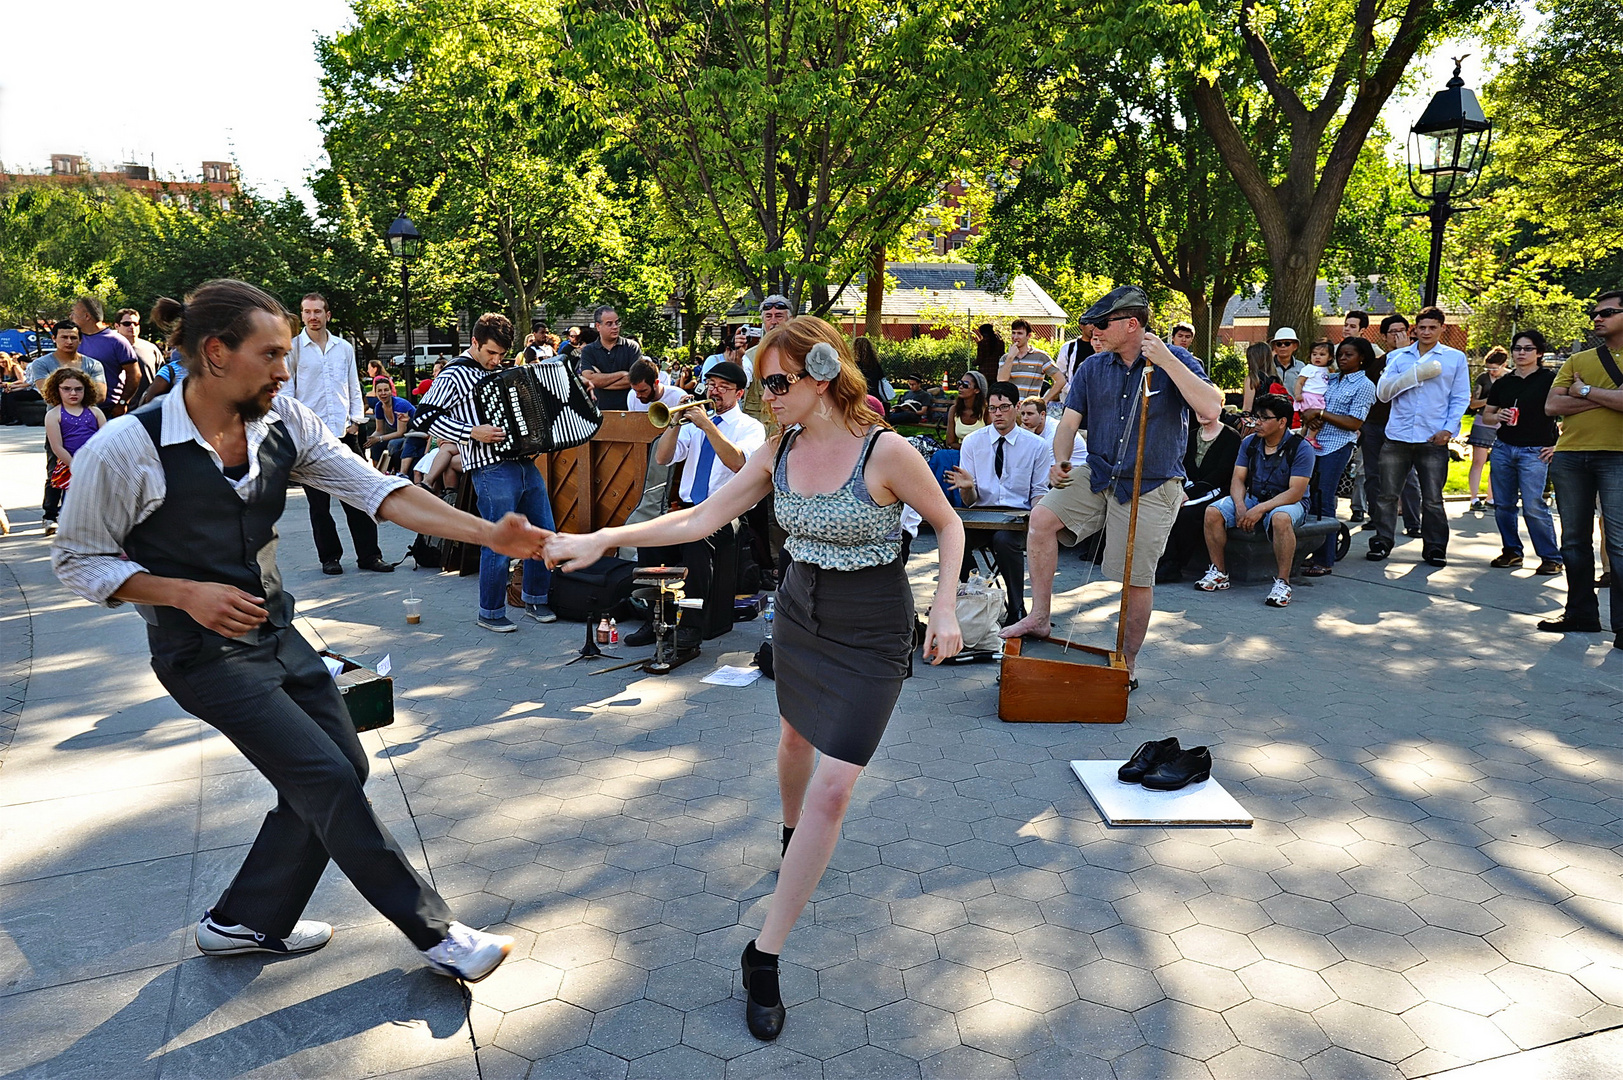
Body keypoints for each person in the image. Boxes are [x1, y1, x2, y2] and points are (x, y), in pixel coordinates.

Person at [51, 279, 533, 984]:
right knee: (328, 776)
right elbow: (76, 559)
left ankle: (243, 921)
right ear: (215, 354)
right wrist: (180, 592)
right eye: (271, 353)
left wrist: (490, 533)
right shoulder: (128, 448)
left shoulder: (286, 422)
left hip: (279, 634)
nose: (285, 369)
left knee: (346, 769)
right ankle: (438, 935)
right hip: (199, 655)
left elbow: (379, 490)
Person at [541, 315, 964, 1043]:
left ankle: (762, 956)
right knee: (795, 741)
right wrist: (607, 536)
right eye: (762, 382)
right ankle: (791, 833)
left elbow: (948, 524)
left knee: (836, 784)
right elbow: (699, 517)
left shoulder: (885, 451)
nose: (767, 396)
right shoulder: (778, 450)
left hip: (872, 626)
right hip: (800, 613)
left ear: (822, 372)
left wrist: (947, 607)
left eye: (777, 382)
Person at [999, 285, 1223, 687]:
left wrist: (1168, 359)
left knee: (1134, 577)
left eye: (1101, 325)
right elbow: (1068, 424)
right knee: (1042, 519)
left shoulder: (1175, 361)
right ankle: (1040, 618)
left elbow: (1210, 408)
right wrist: (1061, 460)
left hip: (1152, 484)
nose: (1092, 332)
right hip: (1100, 472)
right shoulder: (1091, 368)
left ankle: (1128, 662)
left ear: (1132, 324)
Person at [417, 313, 557, 630]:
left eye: (501, 355)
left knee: (545, 533)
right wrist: (471, 431)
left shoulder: (499, 370)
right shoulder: (453, 375)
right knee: (499, 542)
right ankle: (490, 612)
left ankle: (535, 599)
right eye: (491, 353)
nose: (495, 361)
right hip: (489, 468)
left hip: (524, 462)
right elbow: (424, 418)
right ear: (475, 342)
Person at [630, 361, 766, 647]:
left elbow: (739, 462)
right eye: (712, 385)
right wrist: (675, 424)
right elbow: (663, 458)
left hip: (726, 513)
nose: (714, 392)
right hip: (691, 509)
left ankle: (691, 626)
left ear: (739, 393)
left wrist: (707, 425)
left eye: (723, 388)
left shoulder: (749, 427)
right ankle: (657, 620)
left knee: (696, 542)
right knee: (649, 538)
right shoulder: (693, 424)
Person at [1539, 292, 1623, 644]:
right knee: (1573, 540)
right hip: (1571, 455)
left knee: (1619, 544)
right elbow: (1551, 405)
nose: (1597, 318)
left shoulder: (1580, 372)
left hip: (1617, 455)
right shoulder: (1577, 358)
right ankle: (1580, 614)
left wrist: (1584, 391)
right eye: (1594, 314)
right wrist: (1607, 398)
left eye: (1607, 313)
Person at [286, 293, 390, 575]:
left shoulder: (343, 348)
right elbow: (287, 395)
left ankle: (369, 556)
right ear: (302, 315)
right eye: (307, 311)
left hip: (345, 434)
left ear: (328, 315)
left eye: (317, 311)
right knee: (319, 506)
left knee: (360, 496)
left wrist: (356, 421)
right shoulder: (293, 349)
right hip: (310, 439)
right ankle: (329, 558)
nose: (312, 317)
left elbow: (353, 386)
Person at [943, 381, 1053, 625]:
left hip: (1018, 516)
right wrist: (968, 488)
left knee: (1004, 541)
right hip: (981, 513)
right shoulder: (973, 442)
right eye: (993, 409)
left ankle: (1017, 608)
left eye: (1004, 407)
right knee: (953, 538)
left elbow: (1038, 493)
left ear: (1017, 407)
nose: (998, 414)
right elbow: (969, 502)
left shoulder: (1037, 446)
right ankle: (975, 596)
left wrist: (1035, 521)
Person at [1369, 307, 1470, 566]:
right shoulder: (1399, 357)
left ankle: (1435, 548)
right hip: (1398, 435)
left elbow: (1460, 397)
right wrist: (1411, 375)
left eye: (1432, 327)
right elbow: (1384, 393)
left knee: (1433, 498)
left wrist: (1449, 429)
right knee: (1387, 495)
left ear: (1442, 329)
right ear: (1415, 329)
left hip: (1432, 436)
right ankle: (1382, 541)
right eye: (1422, 327)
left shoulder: (1454, 358)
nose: (1426, 332)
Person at [1195, 394, 1314, 607]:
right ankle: (1219, 572)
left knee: (1280, 518)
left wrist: (1260, 509)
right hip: (1255, 497)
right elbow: (1238, 479)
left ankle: (1283, 583)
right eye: (1255, 417)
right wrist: (1240, 506)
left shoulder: (1301, 448)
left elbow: (1295, 492)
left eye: (1263, 418)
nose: (1257, 423)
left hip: (1288, 503)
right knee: (1213, 511)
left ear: (1282, 422)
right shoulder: (1249, 443)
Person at [1484, 330, 1562, 574]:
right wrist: (1499, 416)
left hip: (1536, 450)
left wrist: (1558, 444)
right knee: (1504, 504)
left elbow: (1570, 414)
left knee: (1533, 505)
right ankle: (1511, 551)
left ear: (1539, 353)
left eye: (1528, 348)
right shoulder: (1504, 382)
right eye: (1517, 348)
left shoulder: (1550, 379)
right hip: (1504, 447)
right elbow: (1487, 415)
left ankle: (1551, 557)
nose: (1521, 353)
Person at [1300, 338, 1376, 576]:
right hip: (1313, 444)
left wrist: (1321, 413)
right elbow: (1310, 403)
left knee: (1324, 498)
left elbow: (1354, 422)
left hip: (1338, 445)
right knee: (1309, 496)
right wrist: (1310, 415)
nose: (1343, 358)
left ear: (1361, 357)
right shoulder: (1329, 378)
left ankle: (1325, 559)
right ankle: (1308, 551)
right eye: (1340, 354)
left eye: (1349, 355)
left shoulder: (1364, 385)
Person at [30, 323, 108, 531]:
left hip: (87, 426)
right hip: (59, 425)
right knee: (56, 471)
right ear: (54, 338)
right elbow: (47, 393)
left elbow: (100, 395)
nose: (69, 341)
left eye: (73, 337)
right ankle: (50, 515)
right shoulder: (41, 363)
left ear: (80, 340)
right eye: (64, 337)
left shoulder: (93, 364)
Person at [1156, 410, 1241, 584]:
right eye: (1198, 409)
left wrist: (1190, 494)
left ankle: (1174, 565)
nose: (1202, 413)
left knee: (1188, 514)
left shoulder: (1231, 437)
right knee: (1162, 507)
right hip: (1188, 487)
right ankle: (1161, 560)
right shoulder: (1191, 434)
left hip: (1216, 491)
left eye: (1206, 408)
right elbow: (1182, 465)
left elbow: (1222, 473)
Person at [1361, 315, 1424, 536]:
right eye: (1392, 332)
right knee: (1373, 473)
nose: (1398, 336)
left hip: (1401, 426)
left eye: (1402, 331)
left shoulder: (1417, 361)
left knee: (1406, 475)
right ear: (1384, 336)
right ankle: (1376, 517)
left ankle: (1413, 521)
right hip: (1374, 424)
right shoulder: (1378, 363)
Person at [42, 368, 106, 510]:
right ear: (56, 389)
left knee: (98, 502)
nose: (73, 393)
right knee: (72, 504)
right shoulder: (53, 415)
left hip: (96, 464)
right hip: (70, 466)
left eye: (78, 389)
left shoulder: (95, 411)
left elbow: (106, 439)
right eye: (66, 389)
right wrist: (76, 465)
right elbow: (57, 447)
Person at [929, 370, 988, 505]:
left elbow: (990, 442)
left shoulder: (986, 412)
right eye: (959, 383)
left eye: (965, 385)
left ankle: (957, 503)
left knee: (947, 458)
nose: (960, 387)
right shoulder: (954, 410)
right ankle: (939, 502)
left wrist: (971, 451)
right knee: (942, 456)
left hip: (982, 455)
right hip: (960, 451)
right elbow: (950, 442)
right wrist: (967, 449)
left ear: (977, 390)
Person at [69, 296, 138, 411]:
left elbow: (134, 375)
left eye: (74, 314)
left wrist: (122, 402)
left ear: (87, 316)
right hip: (76, 409)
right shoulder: (73, 339)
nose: (71, 317)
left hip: (107, 410)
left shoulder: (116, 341)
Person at [577, 305, 644, 410]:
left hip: (629, 410)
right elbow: (589, 379)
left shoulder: (631, 347)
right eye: (609, 324)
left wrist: (600, 381)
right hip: (601, 410)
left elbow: (635, 379)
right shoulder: (588, 350)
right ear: (598, 326)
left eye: (617, 323)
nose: (615, 327)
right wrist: (622, 374)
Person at [1467, 347, 1509, 510]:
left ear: (1504, 364)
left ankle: (1491, 497)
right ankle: (1474, 498)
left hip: (1503, 423)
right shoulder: (1483, 379)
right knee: (1479, 461)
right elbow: (1473, 404)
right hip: (1483, 422)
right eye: (1489, 368)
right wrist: (1490, 400)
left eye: (1495, 368)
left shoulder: (1510, 378)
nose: (1491, 372)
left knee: (1498, 462)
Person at [740, 296, 792, 424]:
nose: (773, 321)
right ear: (763, 321)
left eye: (779, 316)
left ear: (790, 319)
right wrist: (736, 361)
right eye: (768, 316)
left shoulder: (800, 354)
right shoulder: (749, 356)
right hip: (759, 429)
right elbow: (739, 387)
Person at [364, 374, 426, 475]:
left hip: (414, 434)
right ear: (375, 392)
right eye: (379, 391)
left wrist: (379, 438)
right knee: (375, 446)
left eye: (386, 390)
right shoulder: (379, 407)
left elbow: (400, 433)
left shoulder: (399, 405)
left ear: (391, 391)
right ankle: (377, 473)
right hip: (402, 435)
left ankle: (393, 472)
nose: (383, 393)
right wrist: (370, 440)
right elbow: (380, 431)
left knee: (393, 444)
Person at [997, 318, 1065, 408]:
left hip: (1031, 408)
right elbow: (1001, 381)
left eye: (1020, 333)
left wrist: (1044, 400)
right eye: (1013, 333)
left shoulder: (1041, 357)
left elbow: (1061, 380)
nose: (1015, 337)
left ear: (1029, 336)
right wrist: (1010, 357)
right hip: (1010, 407)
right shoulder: (1005, 358)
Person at [113, 307, 165, 413]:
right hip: (118, 409)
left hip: (148, 409)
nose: (132, 327)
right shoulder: (109, 348)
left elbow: (163, 376)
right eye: (127, 323)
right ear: (117, 326)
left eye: (135, 323)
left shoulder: (151, 349)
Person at [1296, 340, 1334, 448]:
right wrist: (1298, 394)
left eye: (1322, 354)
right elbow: (1299, 382)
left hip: (1319, 397)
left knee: (1310, 421)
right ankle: (1310, 438)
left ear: (1330, 357)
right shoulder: (1309, 368)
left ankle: (1302, 437)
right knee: (1318, 419)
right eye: (1314, 354)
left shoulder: (1328, 370)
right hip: (1311, 396)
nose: (1317, 357)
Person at [852, 337, 889, 416]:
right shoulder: (875, 364)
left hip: (860, 396)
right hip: (875, 396)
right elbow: (881, 377)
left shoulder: (855, 365)